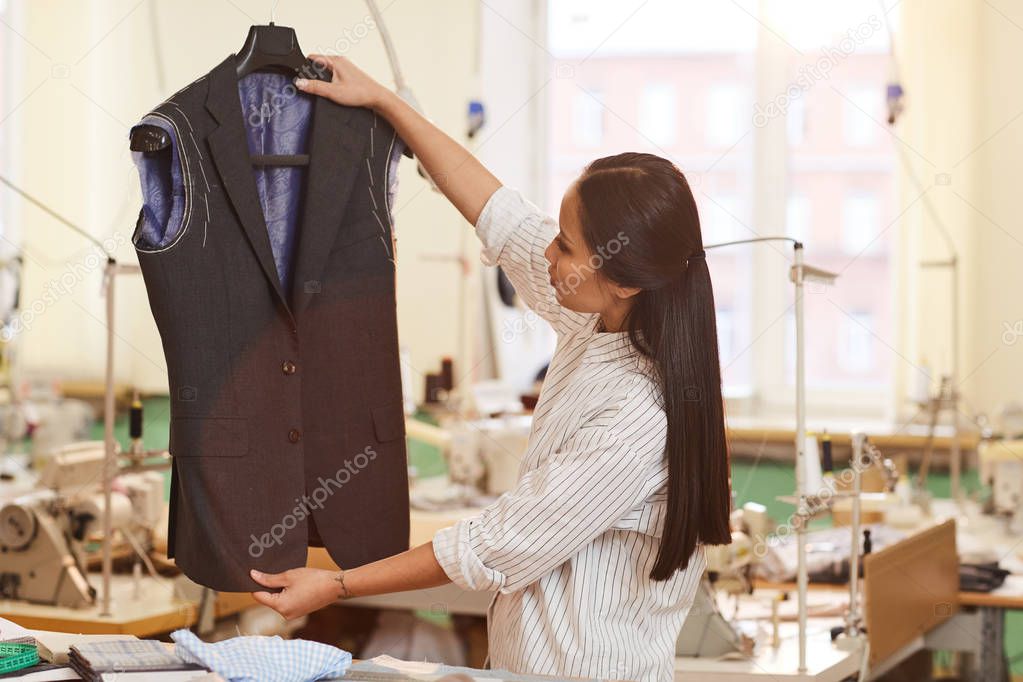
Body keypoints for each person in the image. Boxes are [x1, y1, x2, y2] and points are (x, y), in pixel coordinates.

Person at [250, 54, 732, 682]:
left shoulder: (639, 416)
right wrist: (387, 106)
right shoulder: (596, 318)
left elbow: (494, 546)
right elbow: (498, 213)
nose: (549, 253)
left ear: (623, 280)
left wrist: (336, 586)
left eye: (565, 245)